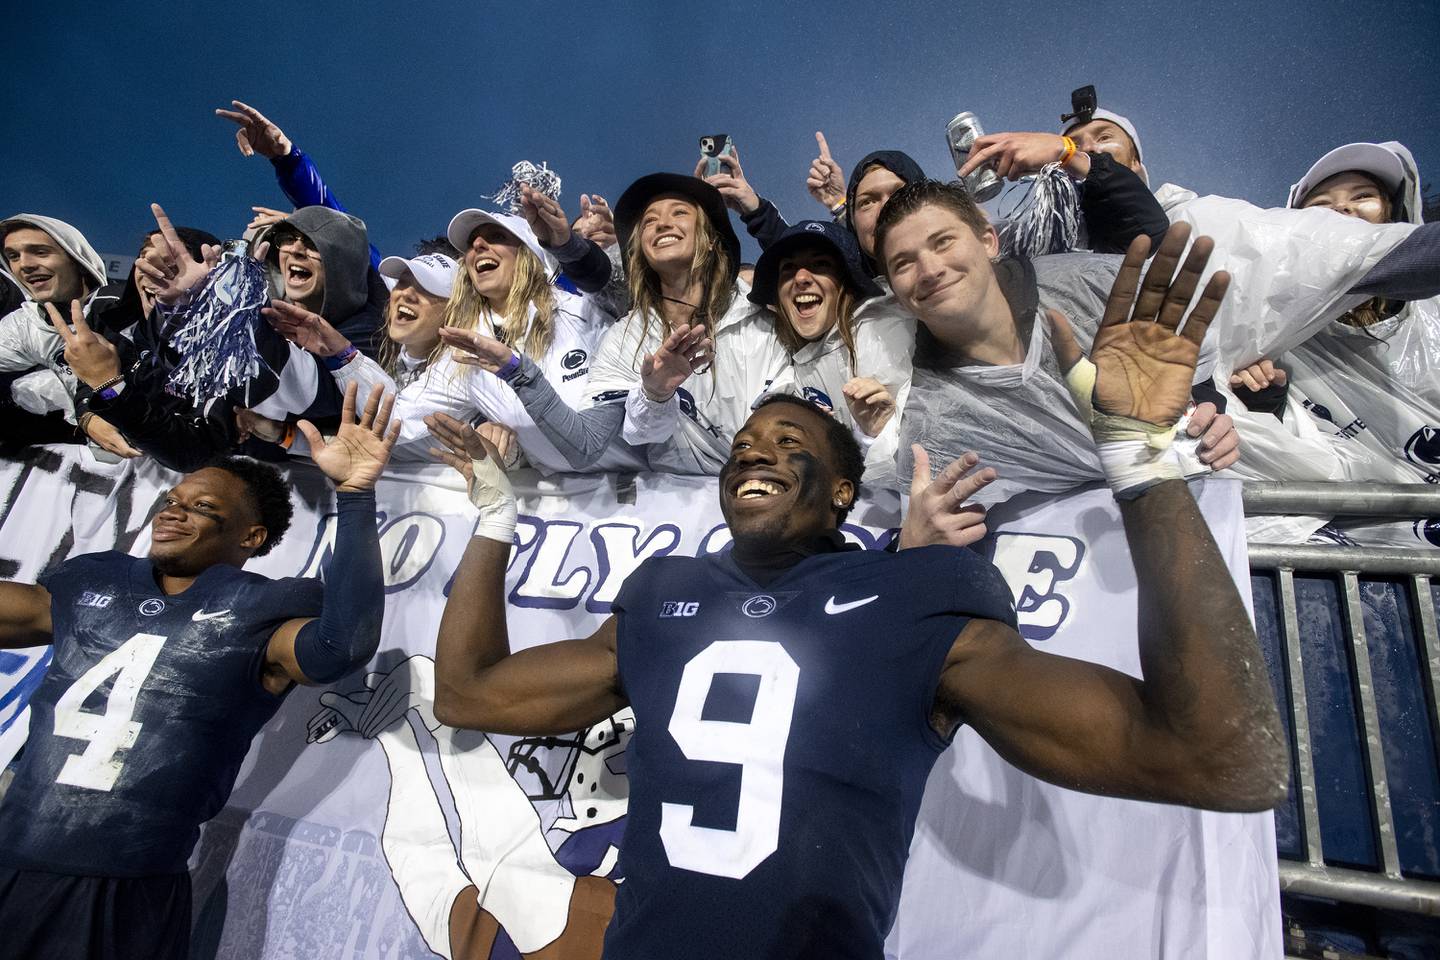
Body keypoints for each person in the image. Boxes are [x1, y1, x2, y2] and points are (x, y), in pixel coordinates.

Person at [422, 225, 1288, 959]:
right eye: (746, 441)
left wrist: (1142, 459)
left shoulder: (914, 600)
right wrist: (494, 519)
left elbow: (1220, 760)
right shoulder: (663, 595)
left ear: (845, 491)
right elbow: (467, 694)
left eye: (788, 439)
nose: (754, 451)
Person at [0, 381, 399, 960]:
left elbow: (342, 646)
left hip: (126, 884)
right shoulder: (93, 579)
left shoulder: (262, 607)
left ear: (251, 536)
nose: (176, 512)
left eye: (203, 508)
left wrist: (357, 495)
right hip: (11, 856)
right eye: (173, 502)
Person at [872, 181, 1239, 504]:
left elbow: (1191, 368)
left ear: (988, 240)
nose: (930, 270)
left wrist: (1208, 408)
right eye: (903, 264)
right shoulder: (933, 432)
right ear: (895, 293)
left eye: (943, 242)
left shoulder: (1101, 287)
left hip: (1212, 504)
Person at [441, 174, 786, 476]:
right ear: (640, 248)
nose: (663, 223)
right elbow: (585, 445)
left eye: (679, 212)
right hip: (685, 519)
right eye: (650, 221)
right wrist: (655, 393)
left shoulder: (764, 310)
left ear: (711, 239)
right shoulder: (624, 338)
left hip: (776, 490)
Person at [1227, 141, 1440, 546]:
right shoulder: (1269, 323)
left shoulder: (1433, 312)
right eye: (1321, 204)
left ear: (1393, 214)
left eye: (1363, 197)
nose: (1342, 210)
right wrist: (1262, 404)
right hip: (1355, 559)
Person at [746, 220, 912, 443]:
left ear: (848, 282)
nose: (801, 278)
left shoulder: (882, 335)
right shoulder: (788, 356)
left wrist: (872, 435)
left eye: (820, 264)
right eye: (788, 268)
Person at [0, 214, 135, 457]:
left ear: (76, 259)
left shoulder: (121, 309)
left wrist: (92, 410)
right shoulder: (24, 324)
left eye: (40, 252)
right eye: (13, 256)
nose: (24, 264)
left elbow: (138, 390)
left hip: (152, 455)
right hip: (85, 454)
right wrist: (85, 415)